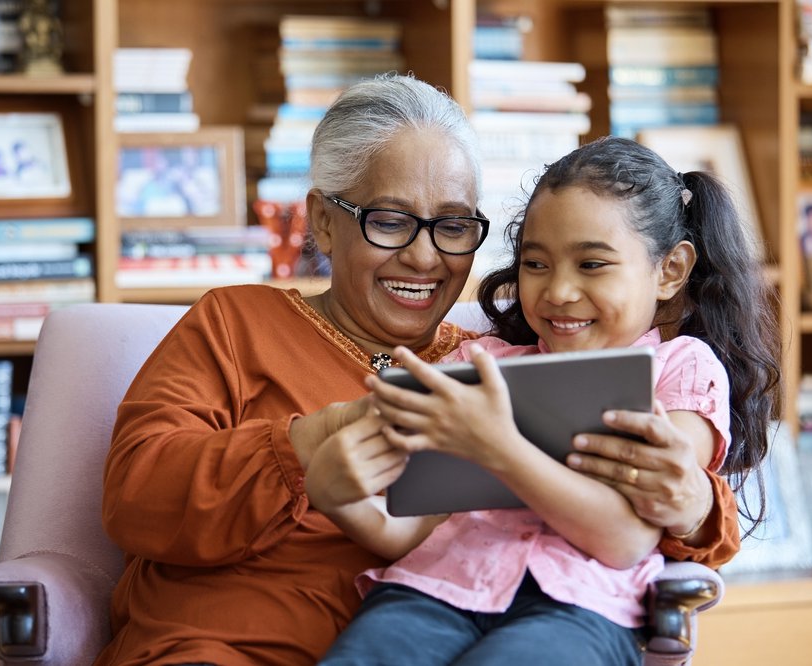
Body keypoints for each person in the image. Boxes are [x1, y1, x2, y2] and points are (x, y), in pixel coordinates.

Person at [97, 76, 742, 666]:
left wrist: (695, 505)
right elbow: (135, 494)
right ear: (322, 220)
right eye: (391, 221)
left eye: (454, 226)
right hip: (218, 648)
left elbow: (656, 514)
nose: (425, 256)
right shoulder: (235, 323)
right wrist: (302, 449)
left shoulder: (491, 367)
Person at [315, 136, 781, 665]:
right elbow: (407, 532)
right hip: (434, 591)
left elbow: (624, 538)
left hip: (580, 610)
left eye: (592, 265)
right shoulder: (479, 365)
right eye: (536, 264)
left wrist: (499, 448)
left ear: (670, 270)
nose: (557, 291)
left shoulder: (680, 368)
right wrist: (336, 495)